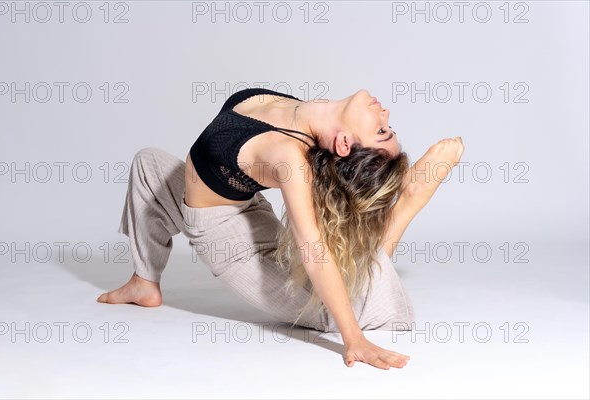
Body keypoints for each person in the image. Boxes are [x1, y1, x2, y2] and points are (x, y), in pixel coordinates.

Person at [97, 87, 465, 370]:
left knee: (338, 302)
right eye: (387, 128)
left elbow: (314, 250)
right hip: (241, 205)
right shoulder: (305, 112)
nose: (384, 112)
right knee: (149, 164)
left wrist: (354, 339)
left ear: (343, 142)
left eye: (382, 129)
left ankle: (406, 205)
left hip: (234, 245)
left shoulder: (289, 157)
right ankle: (144, 281)